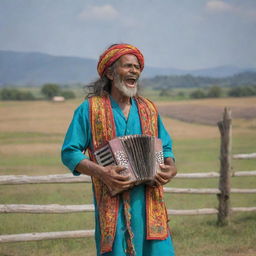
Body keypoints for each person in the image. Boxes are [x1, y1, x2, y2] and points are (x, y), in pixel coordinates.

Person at [61, 43, 177, 256]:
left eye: (137, 67)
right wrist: (102, 172)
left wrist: (170, 167)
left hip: (149, 205)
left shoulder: (149, 109)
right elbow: (70, 152)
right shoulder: (89, 109)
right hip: (111, 203)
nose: (134, 70)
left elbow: (166, 146)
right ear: (110, 73)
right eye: (128, 66)